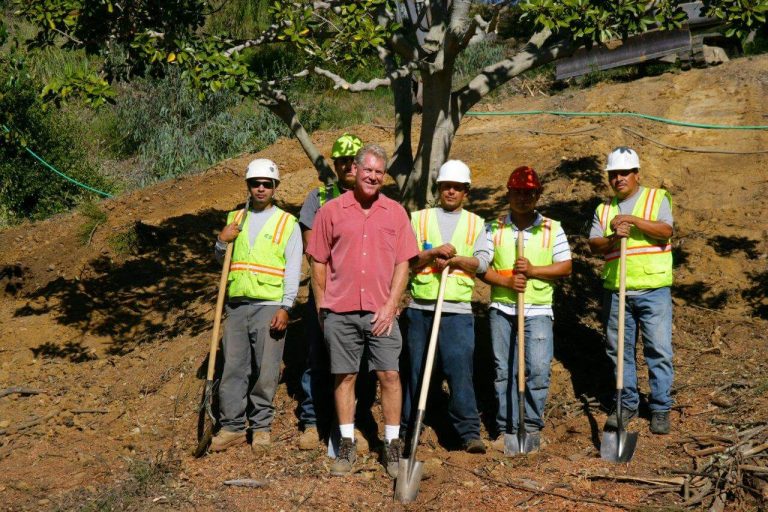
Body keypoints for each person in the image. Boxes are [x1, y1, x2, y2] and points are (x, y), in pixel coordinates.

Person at [307, 144, 419, 477]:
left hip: (381, 311)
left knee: (390, 375)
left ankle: (392, 444)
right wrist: (322, 307)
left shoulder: (395, 213)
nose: (372, 176)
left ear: (384, 177)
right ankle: (345, 444)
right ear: (355, 170)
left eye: (378, 172)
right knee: (345, 377)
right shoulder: (330, 211)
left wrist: (392, 303)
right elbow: (318, 262)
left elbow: (403, 262)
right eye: (367, 170)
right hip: (339, 311)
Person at [209, 158, 302, 452]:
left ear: (274, 187)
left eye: (267, 184)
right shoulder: (234, 219)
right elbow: (220, 261)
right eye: (255, 183)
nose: (261, 188)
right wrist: (221, 242)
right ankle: (232, 426)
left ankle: (261, 427)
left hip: (269, 305)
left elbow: (293, 268)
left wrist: (286, 307)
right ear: (248, 186)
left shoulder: (287, 223)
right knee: (234, 367)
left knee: (266, 369)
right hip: (236, 306)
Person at [480, 166, 572, 452]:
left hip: (539, 309)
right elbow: (481, 268)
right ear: (509, 193)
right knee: (503, 369)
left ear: (538, 195)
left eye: (529, 193)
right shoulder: (493, 227)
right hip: (502, 308)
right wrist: (507, 280)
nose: (523, 198)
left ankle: (531, 426)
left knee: (538, 368)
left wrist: (533, 270)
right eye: (517, 192)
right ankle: (507, 428)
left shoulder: (552, 228)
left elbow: (565, 266)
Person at [296, 133, 377, 451]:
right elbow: (312, 248)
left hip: (364, 296)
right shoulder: (318, 198)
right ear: (335, 164)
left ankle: (355, 423)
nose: (347, 166)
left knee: (363, 364)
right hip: (327, 293)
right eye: (341, 160)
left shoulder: (375, 198)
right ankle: (312, 420)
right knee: (318, 359)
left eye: (352, 160)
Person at [403, 160, 489, 454]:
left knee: (459, 369)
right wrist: (434, 253)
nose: (450, 191)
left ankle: (468, 433)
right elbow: (407, 261)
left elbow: (482, 263)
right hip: (420, 307)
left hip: (457, 311)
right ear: (438, 188)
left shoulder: (476, 223)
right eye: (445, 186)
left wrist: (456, 260)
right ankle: (408, 428)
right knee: (415, 370)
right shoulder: (418, 219)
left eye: (456, 187)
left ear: (466, 191)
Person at [588, 147, 674, 435]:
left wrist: (633, 221)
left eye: (624, 173)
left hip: (653, 288)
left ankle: (660, 408)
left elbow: (665, 231)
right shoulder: (603, 209)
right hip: (617, 290)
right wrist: (614, 237)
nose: (618, 179)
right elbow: (594, 245)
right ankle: (626, 404)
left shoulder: (656, 198)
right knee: (619, 351)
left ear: (636, 174)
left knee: (658, 349)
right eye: (614, 174)